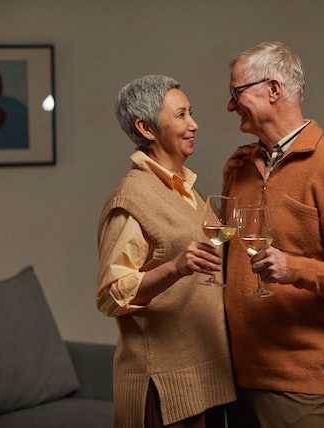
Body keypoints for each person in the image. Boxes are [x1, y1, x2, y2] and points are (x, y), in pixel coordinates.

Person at [222, 41, 324, 427]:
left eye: (236, 93)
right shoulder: (242, 166)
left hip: (295, 382)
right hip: (234, 373)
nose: (230, 106)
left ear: (273, 89)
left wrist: (292, 268)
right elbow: (231, 253)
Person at [96, 75, 236, 428]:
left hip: (209, 377)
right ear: (146, 127)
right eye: (181, 115)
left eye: (191, 113)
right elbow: (112, 297)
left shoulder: (187, 189)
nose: (194, 125)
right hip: (165, 386)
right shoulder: (130, 200)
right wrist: (176, 267)